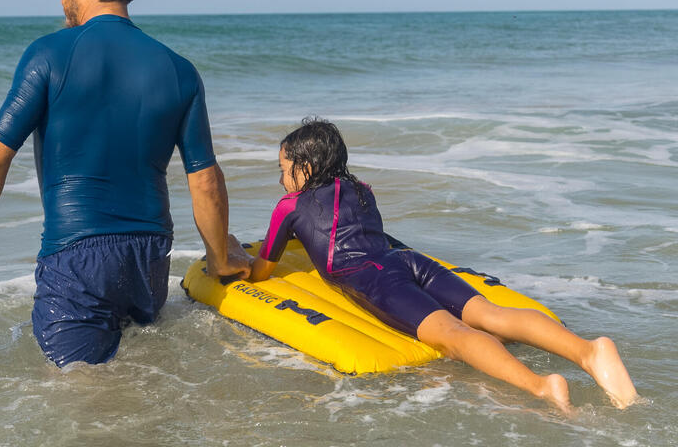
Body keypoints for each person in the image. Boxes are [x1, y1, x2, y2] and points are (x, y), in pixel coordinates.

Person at [0, 0, 249, 367]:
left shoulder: (48, 54)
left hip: (77, 260)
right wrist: (219, 260)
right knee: (141, 380)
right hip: (150, 257)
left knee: (81, 397)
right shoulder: (179, 69)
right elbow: (205, 181)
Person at [243, 118, 638, 411]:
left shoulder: (289, 207)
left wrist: (235, 257)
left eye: (283, 169)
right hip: (407, 260)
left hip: (375, 280)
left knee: (453, 334)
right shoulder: (363, 190)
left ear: (305, 167)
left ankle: (540, 386)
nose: (281, 181)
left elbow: (261, 269)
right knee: (489, 313)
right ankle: (589, 351)